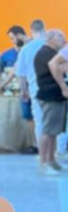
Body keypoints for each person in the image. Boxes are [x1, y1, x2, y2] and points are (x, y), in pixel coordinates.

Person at [33, 28, 68, 176]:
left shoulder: (52, 53)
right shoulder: (46, 54)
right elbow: (58, 68)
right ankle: (43, 163)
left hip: (56, 96)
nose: (63, 39)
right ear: (50, 39)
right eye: (59, 36)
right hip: (50, 95)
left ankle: (51, 160)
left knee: (54, 131)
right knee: (47, 131)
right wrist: (64, 87)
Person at [15, 19, 47, 155]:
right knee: (58, 121)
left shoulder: (26, 49)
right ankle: (59, 150)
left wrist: (23, 91)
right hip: (55, 89)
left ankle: (42, 152)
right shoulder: (51, 45)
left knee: (39, 121)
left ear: (31, 31)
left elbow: (21, 74)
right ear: (44, 29)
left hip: (35, 89)